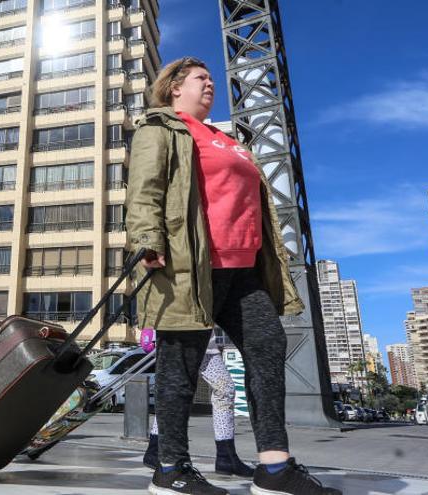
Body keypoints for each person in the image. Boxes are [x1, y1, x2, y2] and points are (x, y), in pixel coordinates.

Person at [126, 57, 341, 495]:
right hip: (190, 265)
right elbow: (145, 187)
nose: (210, 84)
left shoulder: (225, 139)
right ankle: (170, 469)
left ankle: (274, 469)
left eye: (210, 79)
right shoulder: (161, 129)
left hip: (243, 268)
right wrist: (148, 240)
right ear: (173, 89)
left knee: (267, 346)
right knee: (179, 368)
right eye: (200, 79)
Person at [141, 329, 254, 478]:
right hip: (181, 333)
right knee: (177, 390)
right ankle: (156, 450)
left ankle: (226, 455)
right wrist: (149, 330)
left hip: (203, 336)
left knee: (222, 388)